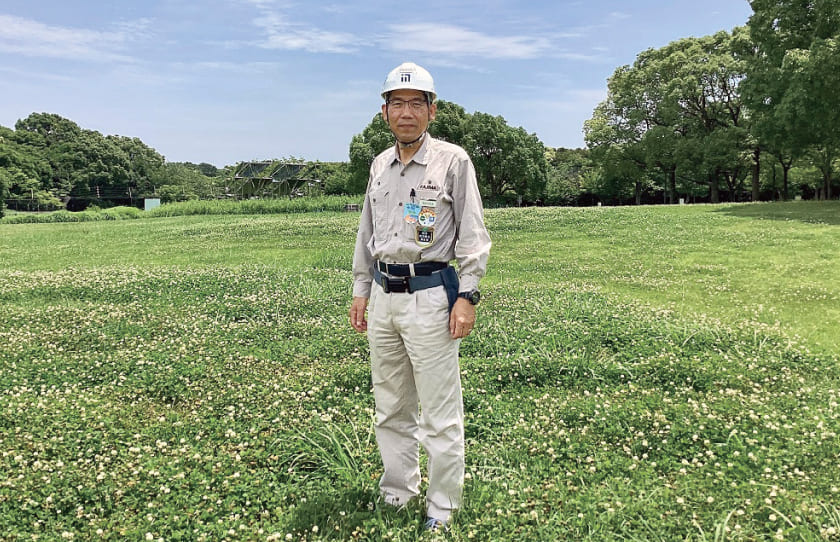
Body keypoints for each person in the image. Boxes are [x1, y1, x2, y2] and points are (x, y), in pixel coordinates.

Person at [349, 61, 491, 532]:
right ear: (384, 111)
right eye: (397, 104)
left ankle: (442, 507)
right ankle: (397, 490)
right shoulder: (378, 165)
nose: (405, 113)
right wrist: (361, 287)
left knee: (439, 411)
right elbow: (366, 232)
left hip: (432, 296)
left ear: (432, 110)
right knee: (391, 405)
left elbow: (473, 235)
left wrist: (467, 294)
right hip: (386, 297)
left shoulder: (453, 161)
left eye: (416, 104)